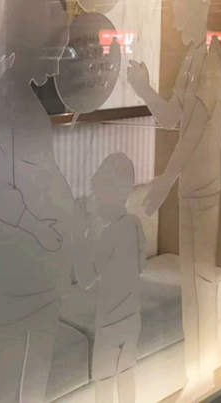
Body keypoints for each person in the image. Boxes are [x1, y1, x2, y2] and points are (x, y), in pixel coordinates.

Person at [0, 0, 89, 403]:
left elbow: (41, 174)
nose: (57, 64)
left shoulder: (19, 98)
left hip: (40, 258)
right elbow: (3, 189)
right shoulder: (8, 101)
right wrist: (41, 228)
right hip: (25, 258)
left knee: (30, 367)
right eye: (54, 53)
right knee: (16, 366)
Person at [127, 0, 221, 395]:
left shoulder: (212, 59)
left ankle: (204, 375)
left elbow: (192, 136)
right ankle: (197, 375)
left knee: (200, 282)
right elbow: (172, 119)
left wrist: (161, 186)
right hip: (190, 190)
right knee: (192, 284)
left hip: (202, 190)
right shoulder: (192, 58)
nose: (173, 12)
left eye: (178, 0)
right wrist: (143, 87)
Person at [84, 153, 145, 403]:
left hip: (109, 325)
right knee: (127, 375)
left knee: (105, 383)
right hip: (132, 318)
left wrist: (87, 234)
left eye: (98, 196)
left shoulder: (107, 236)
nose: (96, 202)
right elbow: (141, 265)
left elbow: (87, 278)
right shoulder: (135, 224)